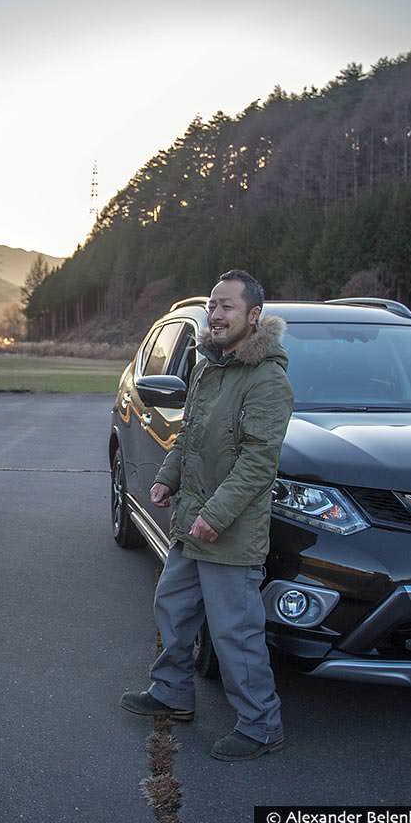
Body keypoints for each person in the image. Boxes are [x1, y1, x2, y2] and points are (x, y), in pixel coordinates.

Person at [120, 269, 293, 762]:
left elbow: (258, 462)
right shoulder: (206, 367)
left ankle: (261, 725)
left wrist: (215, 517)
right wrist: (167, 477)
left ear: (254, 317)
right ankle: (172, 692)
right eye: (213, 305)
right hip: (191, 523)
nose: (215, 314)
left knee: (235, 634)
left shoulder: (267, 380)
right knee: (172, 609)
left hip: (228, 531)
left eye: (228, 307)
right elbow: (190, 435)